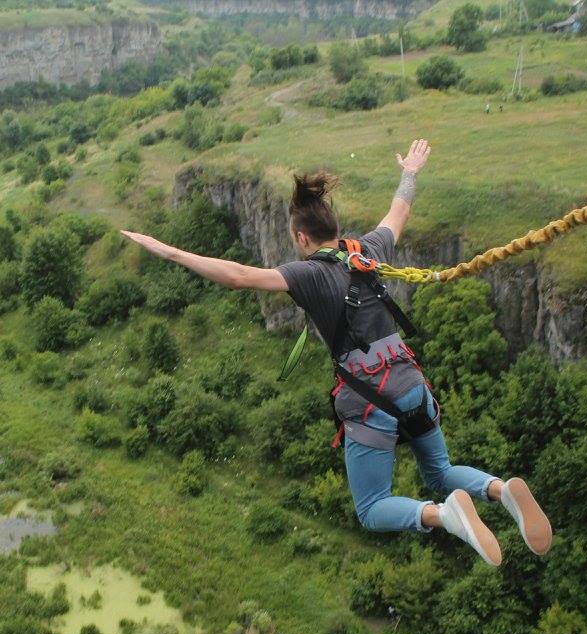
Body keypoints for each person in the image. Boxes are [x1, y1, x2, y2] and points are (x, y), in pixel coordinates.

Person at [119, 139, 552, 565]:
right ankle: (500, 489)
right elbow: (398, 211)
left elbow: (236, 276)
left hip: (370, 401)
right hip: (411, 385)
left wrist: (168, 250)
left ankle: (445, 515)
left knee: (372, 509)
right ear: (336, 230)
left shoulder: (307, 273)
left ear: (302, 237)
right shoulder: (369, 250)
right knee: (439, 471)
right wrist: (409, 173)